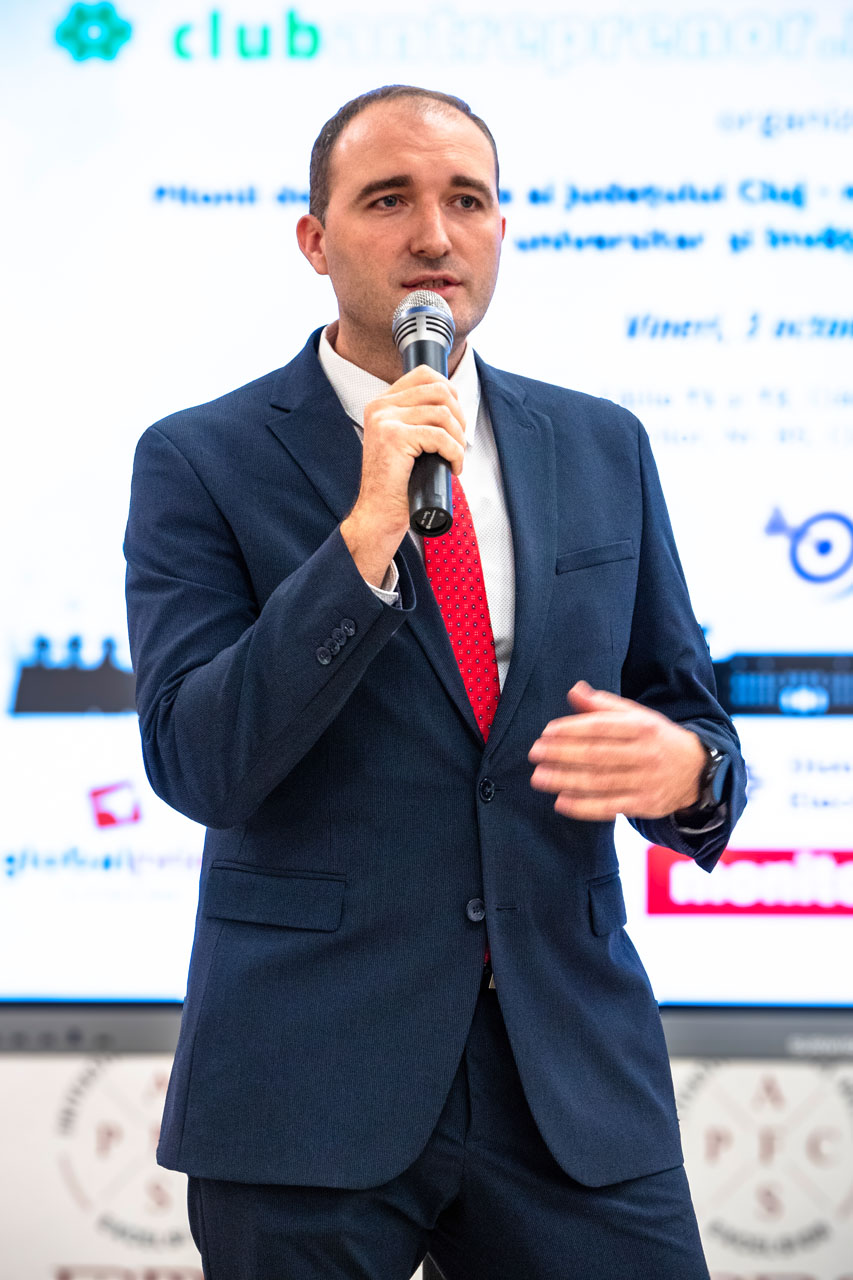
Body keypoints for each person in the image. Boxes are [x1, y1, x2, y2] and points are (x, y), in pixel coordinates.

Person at [124, 85, 746, 1280]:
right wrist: (362, 543)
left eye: (466, 200)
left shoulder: (600, 444)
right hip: (306, 1076)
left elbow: (686, 712)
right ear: (314, 239)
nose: (432, 235)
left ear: (501, 227)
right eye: (387, 200)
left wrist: (691, 772)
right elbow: (199, 760)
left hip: (569, 1076)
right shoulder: (201, 458)